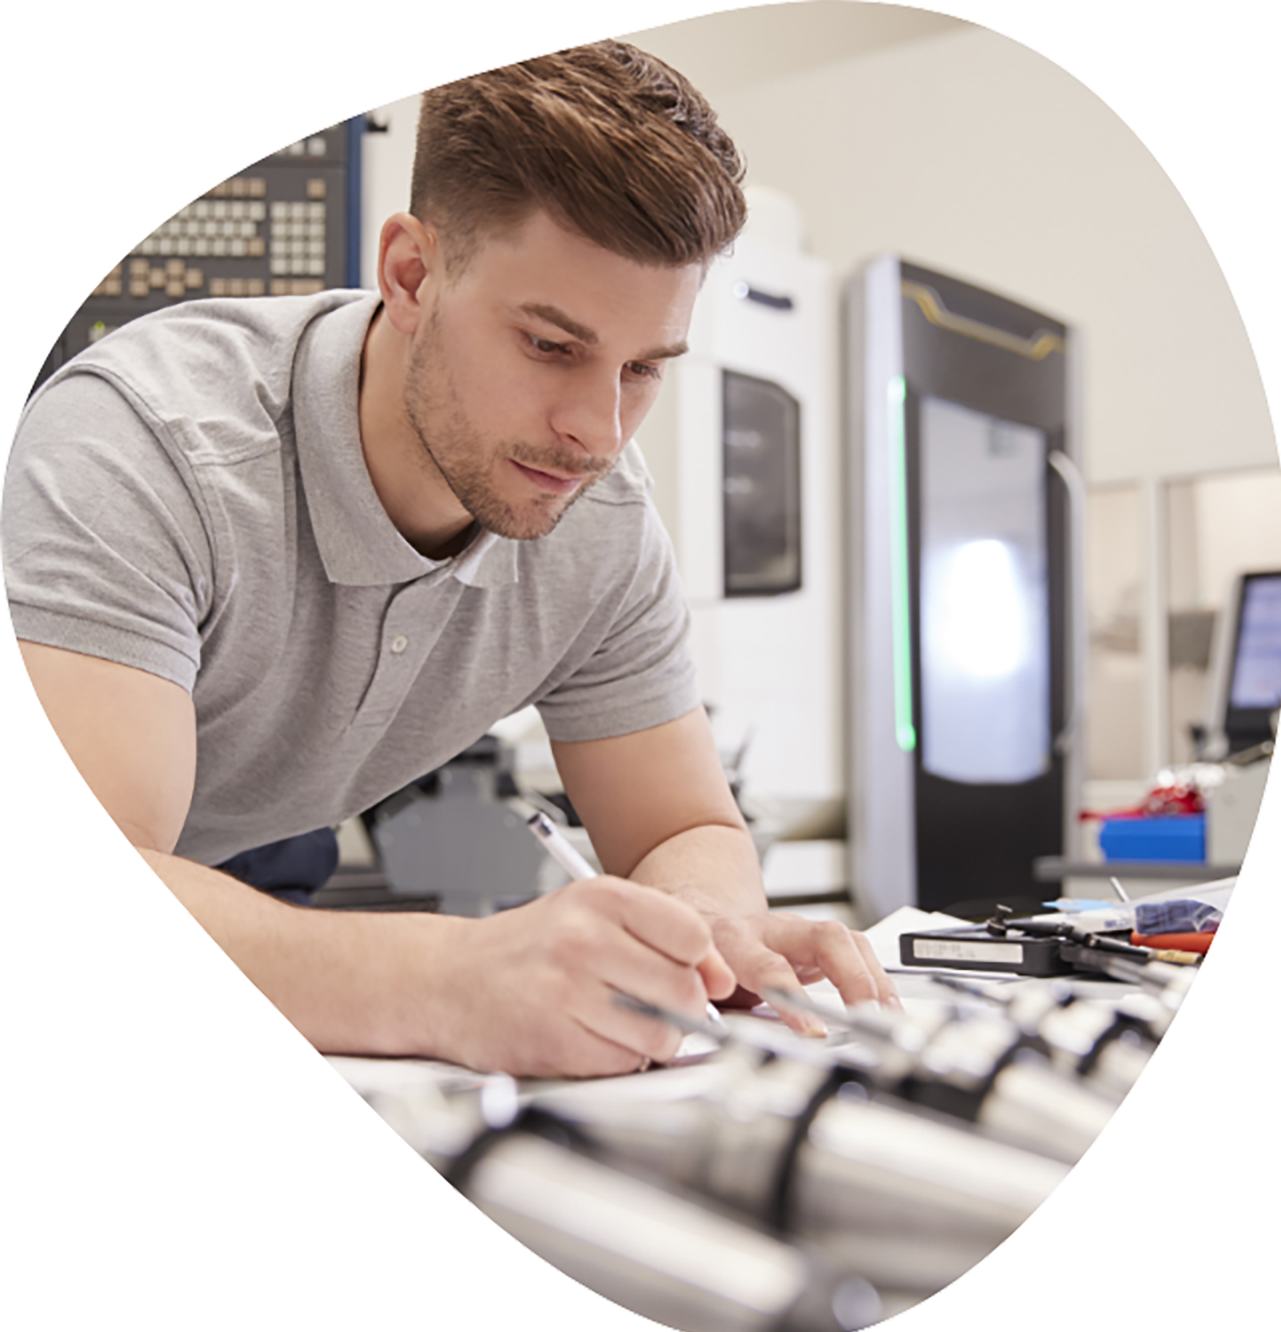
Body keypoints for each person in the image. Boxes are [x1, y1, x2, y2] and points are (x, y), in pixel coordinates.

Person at [3, 42, 897, 1078]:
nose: (596, 431)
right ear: (412, 274)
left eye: (644, 368)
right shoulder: (145, 444)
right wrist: (450, 977)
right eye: (550, 346)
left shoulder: (598, 518)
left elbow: (683, 824)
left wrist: (700, 929)